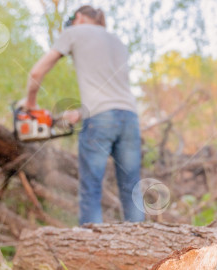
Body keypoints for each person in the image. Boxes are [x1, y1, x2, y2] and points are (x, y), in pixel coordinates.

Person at [22, 5, 145, 224]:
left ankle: (91, 247)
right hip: (130, 117)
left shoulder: (74, 32)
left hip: (99, 118)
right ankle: (141, 250)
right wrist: (80, 112)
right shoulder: (117, 41)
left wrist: (30, 104)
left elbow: (36, 72)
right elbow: (113, 90)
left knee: (91, 187)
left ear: (78, 17)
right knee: (132, 187)